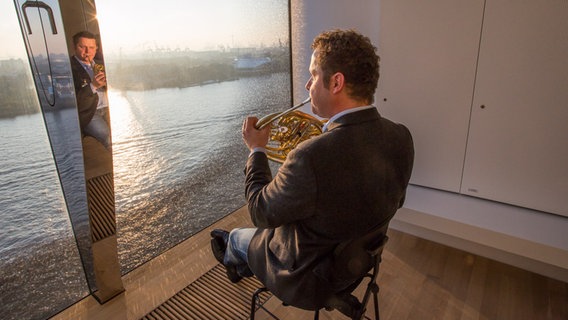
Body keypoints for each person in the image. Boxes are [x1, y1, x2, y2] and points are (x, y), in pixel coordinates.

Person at [210, 29, 414, 309]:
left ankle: (234, 260)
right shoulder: (401, 136)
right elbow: (394, 199)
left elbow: (260, 212)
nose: (307, 85)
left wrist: (257, 150)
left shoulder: (309, 157)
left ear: (336, 82)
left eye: (314, 74)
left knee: (238, 236)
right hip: (356, 266)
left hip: (305, 278)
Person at [70, 31, 111, 150]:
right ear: (74, 47)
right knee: (108, 137)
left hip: (109, 108)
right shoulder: (68, 69)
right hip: (90, 113)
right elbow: (73, 101)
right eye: (82, 47)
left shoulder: (101, 65)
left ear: (96, 48)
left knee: (122, 133)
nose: (88, 52)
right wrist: (93, 86)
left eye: (92, 47)